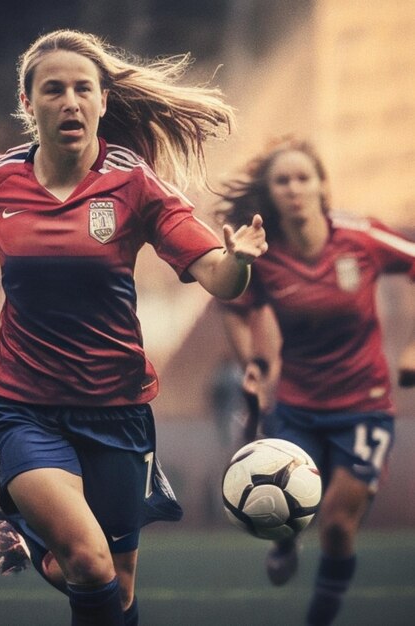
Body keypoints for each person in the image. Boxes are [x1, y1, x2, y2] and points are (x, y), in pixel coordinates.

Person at [0, 30, 268, 626]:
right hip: (22, 403)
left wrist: (241, 261)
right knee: (91, 563)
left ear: (101, 102)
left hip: (117, 408)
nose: (69, 101)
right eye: (53, 90)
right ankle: (40, 531)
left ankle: (32, 538)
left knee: (116, 589)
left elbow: (219, 279)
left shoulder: (136, 184)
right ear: (28, 105)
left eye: (82, 89)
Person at [216, 135, 415, 626]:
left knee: (337, 527)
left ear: (322, 186)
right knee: (284, 511)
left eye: (304, 178)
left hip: (364, 407)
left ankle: (319, 619)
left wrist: (413, 346)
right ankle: (284, 539)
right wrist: (254, 367)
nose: (294, 188)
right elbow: (235, 307)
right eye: (282, 181)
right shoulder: (262, 253)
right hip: (296, 407)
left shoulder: (360, 236)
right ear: (271, 193)